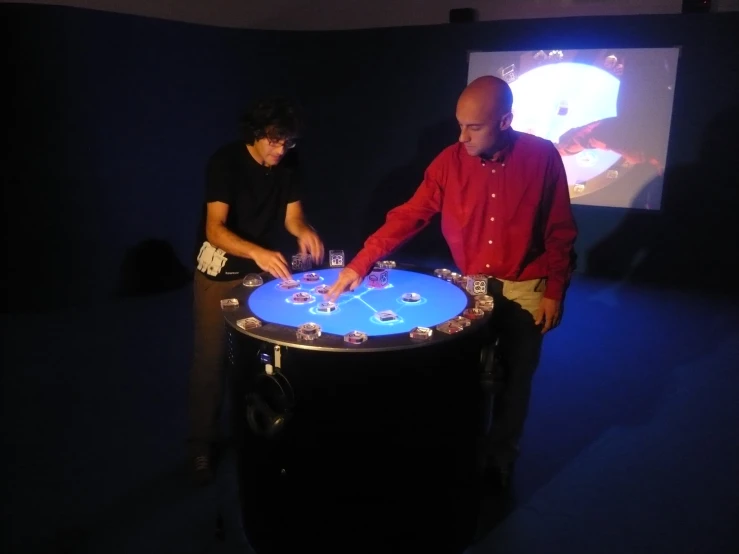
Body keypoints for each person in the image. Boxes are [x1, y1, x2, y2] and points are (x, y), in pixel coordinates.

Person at [325, 76, 577, 486]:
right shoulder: (448, 161)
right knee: (465, 375)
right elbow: (409, 215)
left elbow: (560, 230)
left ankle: (500, 460)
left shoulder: (543, 156)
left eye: (473, 127)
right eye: (459, 125)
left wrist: (554, 291)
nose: (461, 136)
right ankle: (460, 452)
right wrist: (360, 263)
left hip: (526, 285)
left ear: (505, 120)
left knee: (515, 380)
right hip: (472, 284)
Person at [189, 96, 324, 485]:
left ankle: (256, 429)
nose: (281, 150)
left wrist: (305, 232)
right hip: (220, 271)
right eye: (274, 141)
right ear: (256, 133)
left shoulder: (289, 162)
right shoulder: (225, 161)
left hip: (261, 273)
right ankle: (200, 445)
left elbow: (293, 218)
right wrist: (258, 253)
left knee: (260, 359)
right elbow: (215, 228)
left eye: (288, 143)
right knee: (210, 362)